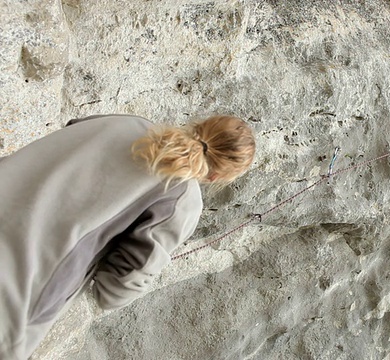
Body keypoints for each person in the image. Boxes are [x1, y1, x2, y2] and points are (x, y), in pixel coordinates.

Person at [0, 114, 255, 359]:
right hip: (16, 290)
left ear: (199, 125)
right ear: (217, 176)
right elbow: (114, 291)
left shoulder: (122, 121)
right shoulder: (182, 200)